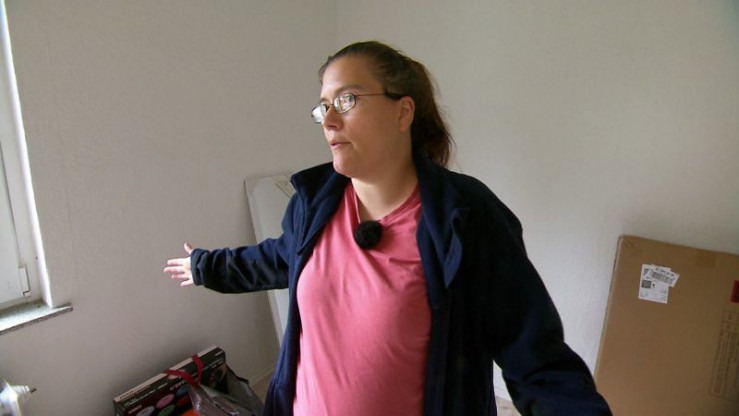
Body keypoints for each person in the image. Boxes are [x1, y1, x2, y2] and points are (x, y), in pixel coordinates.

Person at [164, 41, 612, 416]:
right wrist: (207, 266)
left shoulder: (464, 216)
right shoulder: (312, 204)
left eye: (347, 100)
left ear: (403, 113)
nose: (330, 121)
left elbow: (533, 355)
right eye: (324, 107)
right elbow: (280, 257)